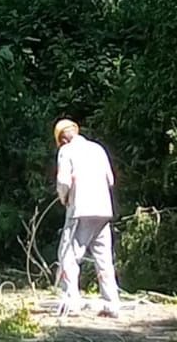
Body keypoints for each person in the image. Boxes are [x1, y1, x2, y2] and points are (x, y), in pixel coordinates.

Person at [54, 118, 121, 318]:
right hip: (103, 209)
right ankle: (112, 304)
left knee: (68, 255)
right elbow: (111, 179)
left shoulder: (66, 151)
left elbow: (63, 181)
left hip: (80, 209)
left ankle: (71, 302)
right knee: (104, 258)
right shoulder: (97, 149)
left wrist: (64, 198)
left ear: (62, 140)